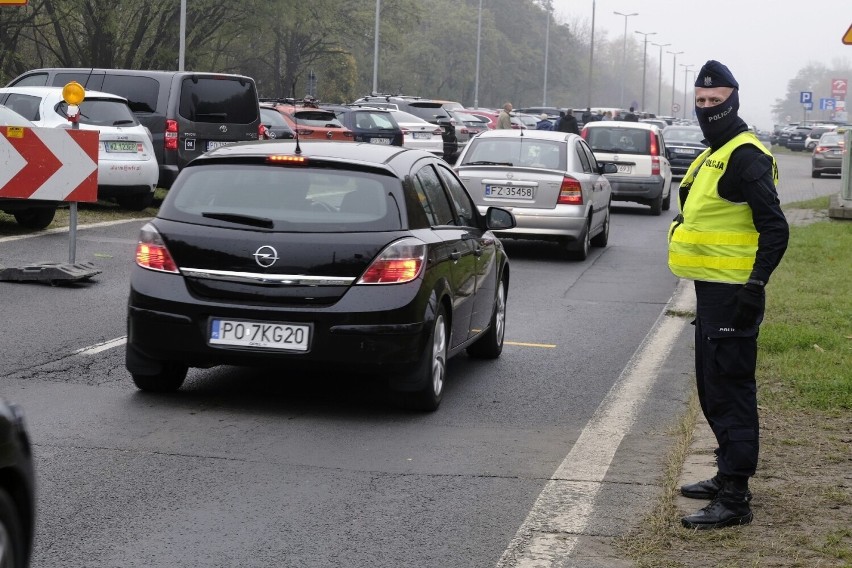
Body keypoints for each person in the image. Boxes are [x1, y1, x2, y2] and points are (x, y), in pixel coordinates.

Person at [668, 60, 789, 530]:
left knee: (732, 391)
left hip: (735, 296)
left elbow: (775, 229)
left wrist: (755, 286)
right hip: (712, 293)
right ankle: (724, 475)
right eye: (700, 101)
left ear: (733, 100)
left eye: (715, 102)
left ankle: (735, 499)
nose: (707, 108)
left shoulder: (746, 155)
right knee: (712, 388)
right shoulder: (712, 152)